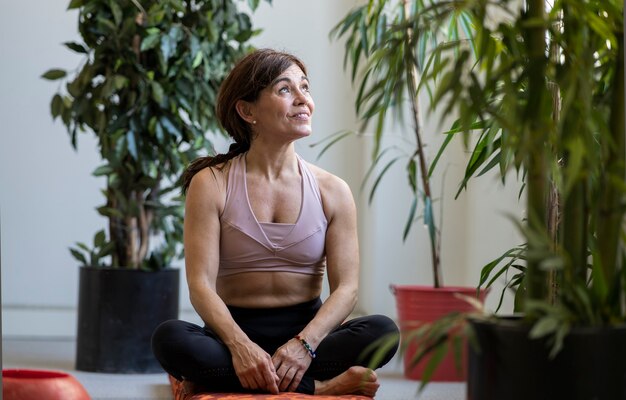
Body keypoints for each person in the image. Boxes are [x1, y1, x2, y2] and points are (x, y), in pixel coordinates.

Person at [151, 48, 399, 397]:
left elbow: (347, 289)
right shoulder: (211, 183)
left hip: (307, 333)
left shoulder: (333, 190)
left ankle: (223, 377)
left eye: (305, 88)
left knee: (383, 330)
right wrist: (240, 346)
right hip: (230, 332)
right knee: (170, 338)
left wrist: (305, 345)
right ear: (247, 110)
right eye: (285, 90)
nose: (303, 100)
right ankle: (324, 386)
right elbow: (201, 286)